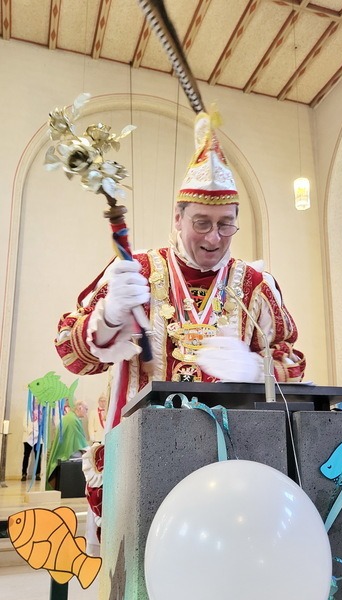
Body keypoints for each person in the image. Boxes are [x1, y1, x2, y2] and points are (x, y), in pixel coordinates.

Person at [54, 111, 306, 545]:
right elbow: (71, 352)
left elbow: (292, 359)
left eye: (226, 224)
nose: (214, 238)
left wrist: (258, 370)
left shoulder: (255, 286)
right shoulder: (137, 271)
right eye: (201, 224)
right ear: (177, 218)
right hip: (139, 461)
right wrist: (108, 318)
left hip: (231, 464)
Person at [46, 399, 89, 488]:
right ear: (79, 408)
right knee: (89, 459)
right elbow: (78, 442)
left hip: (66, 449)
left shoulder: (71, 417)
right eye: (86, 409)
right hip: (67, 453)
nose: (86, 411)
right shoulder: (72, 420)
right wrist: (90, 450)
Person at [21, 407, 42, 481]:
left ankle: (37, 474)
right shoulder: (28, 412)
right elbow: (24, 424)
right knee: (26, 455)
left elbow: (42, 424)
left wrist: (37, 433)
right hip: (28, 436)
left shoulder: (41, 412)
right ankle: (24, 473)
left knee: (38, 456)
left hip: (38, 438)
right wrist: (31, 432)